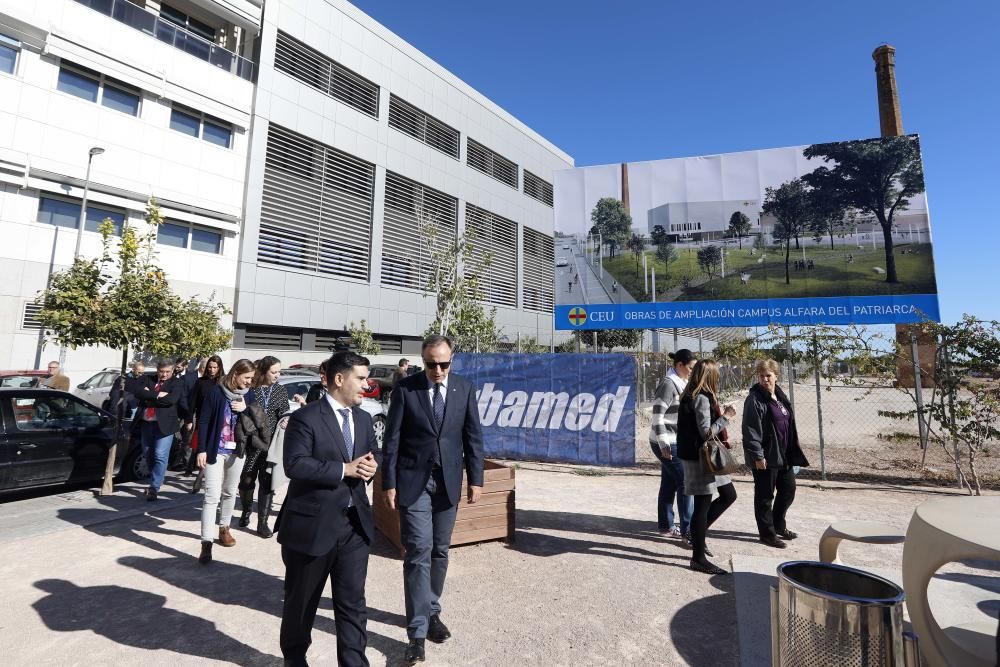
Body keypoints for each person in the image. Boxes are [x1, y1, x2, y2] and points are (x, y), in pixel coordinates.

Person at [382, 334, 485, 666]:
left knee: (440, 550)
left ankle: (431, 610)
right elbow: (392, 439)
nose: (438, 370)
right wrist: (389, 482)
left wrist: (476, 479)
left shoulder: (464, 388)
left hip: (449, 484)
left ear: (452, 359)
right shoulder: (406, 389)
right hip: (414, 483)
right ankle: (416, 633)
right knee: (418, 552)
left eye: (444, 363)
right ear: (422, 359)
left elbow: (473, 436)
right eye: (431, 364)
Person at [277, 351, 379, 667]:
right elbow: (294, 464)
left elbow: (371, 455)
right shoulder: (305, 418)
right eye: (361, 378)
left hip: (354, 526)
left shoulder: (363, 419)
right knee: (301, 603)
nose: (367, 384)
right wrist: (343, 469)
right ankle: (294, 658)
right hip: (312, 527)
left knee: (352, 605)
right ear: (339, 379)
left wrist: (371, 467)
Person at [677, 359, 738, 575]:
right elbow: (706, 433)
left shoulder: (691, 394)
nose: (718, 378)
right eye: (716, 375)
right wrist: (726, 417)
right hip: (699, 457)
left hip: (703, 456)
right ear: (709, 376)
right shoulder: (700, 398)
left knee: (728, 494)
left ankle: (697, 535)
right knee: (702, 505)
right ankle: (698, 558)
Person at [742, 358, 809, 549]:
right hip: (766, 456)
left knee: (788, 490)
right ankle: (767, 534)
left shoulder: (779, 395)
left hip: (784, 454)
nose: (765, 379)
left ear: (776, 377)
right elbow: (750, 430)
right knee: (764, 496)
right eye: (761, 376)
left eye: (768, 376)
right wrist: (757, 455)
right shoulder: (754, 399)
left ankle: (778, 524)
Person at [195, 359, 256, 563]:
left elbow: (256, 422)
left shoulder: (250, 395)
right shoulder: (216, 391)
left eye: (252, 378)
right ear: (236, 373)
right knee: (211, 496)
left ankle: (224, 528)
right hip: (215, 449)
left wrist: (244, 409)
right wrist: (201, 449)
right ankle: (206, 543)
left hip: (237, 450)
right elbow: (203, 420)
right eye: (247, 377)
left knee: (230, 492)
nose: (249, 382)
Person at [648, 349, 697, 541]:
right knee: (686, 483)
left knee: (669, 483)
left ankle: (666, 526)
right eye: (691, 368)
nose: (693, 371)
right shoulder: (668, 384)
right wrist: (663, 445)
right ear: (679, 365)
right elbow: (657, 418)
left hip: (675, 440)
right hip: (667, 442)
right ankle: (688, 532)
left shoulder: (682, 382)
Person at [238, 356, 288, 538]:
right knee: (246, 480)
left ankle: (263, 523)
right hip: (252, 443)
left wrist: (286, 420)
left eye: (279, 372)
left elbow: (284, 412)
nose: (277, 375)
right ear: (264, 371)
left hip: (270, 444)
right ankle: (246, 511)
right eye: (273, 372)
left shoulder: (281, 391)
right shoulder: (252, 389)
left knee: (267, 483)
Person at [128, 360, 183, 502]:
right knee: (148, 454)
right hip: (147, 423)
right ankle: (156, 477)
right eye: (161, 372)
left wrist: (150, 395)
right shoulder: (148, 378)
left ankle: (154, 487)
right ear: (157, 370)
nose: (164, 375)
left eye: (167, 372)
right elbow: (138, 392)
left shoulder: (176, 383)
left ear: (172, 371)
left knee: (160, 455)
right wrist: (158, 395)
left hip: (164, 425)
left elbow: (171, 400)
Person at [186, 356, 225, 478]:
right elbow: (192, 402)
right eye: (210, 367)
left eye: (215, 367)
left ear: (219, 368)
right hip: (202, 420)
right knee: (199, 447)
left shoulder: (224, 382)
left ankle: (206, 473)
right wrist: (189, 420)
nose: (212, 370)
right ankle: (197, 471)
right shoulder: (201, 382)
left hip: (219, 420)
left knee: (213, 447)